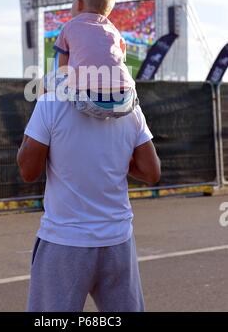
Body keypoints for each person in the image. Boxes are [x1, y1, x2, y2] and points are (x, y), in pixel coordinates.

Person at [17, 91, 160, 312]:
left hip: (65, 241)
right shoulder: (131, 107)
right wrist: (118, 160)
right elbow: (151, 172)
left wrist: (31, 134)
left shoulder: (51, 104)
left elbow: (28, 171)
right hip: (117, 240)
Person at [49, 0, 138, 119]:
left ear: (79, 4)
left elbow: (63, 68)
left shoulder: (69, 26)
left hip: (89, 101)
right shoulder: (114, 30)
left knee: (52, 80)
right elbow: (120, 57)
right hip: (125, 101)